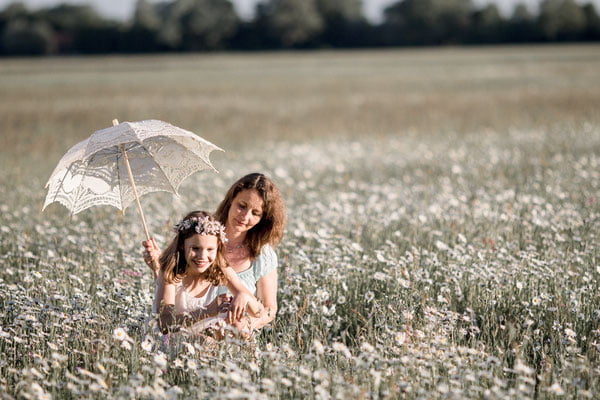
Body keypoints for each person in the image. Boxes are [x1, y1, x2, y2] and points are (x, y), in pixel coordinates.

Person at [144, 173, 285, 338]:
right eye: (242, 205)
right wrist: (157, 267)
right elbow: (168, 308)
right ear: (231, 200)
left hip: (228, 331)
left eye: (255, 213)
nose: (245, 216)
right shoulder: (205, 233)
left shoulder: (229, 262)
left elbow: (266, 309)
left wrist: (245, 306)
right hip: (185, 334)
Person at [154, 210, 263, 338]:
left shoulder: (219, 268)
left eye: (210, 249)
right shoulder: (172, 272)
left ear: (218, 247)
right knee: (206, 342)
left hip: (205, 334)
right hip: (172, 337)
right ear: (182, 245)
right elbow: (164, 324)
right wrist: (208, 311)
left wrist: (243, 296)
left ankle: (248, 357)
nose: (202, 257)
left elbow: (258, 312)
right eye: (195, 248)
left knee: (240, 326)